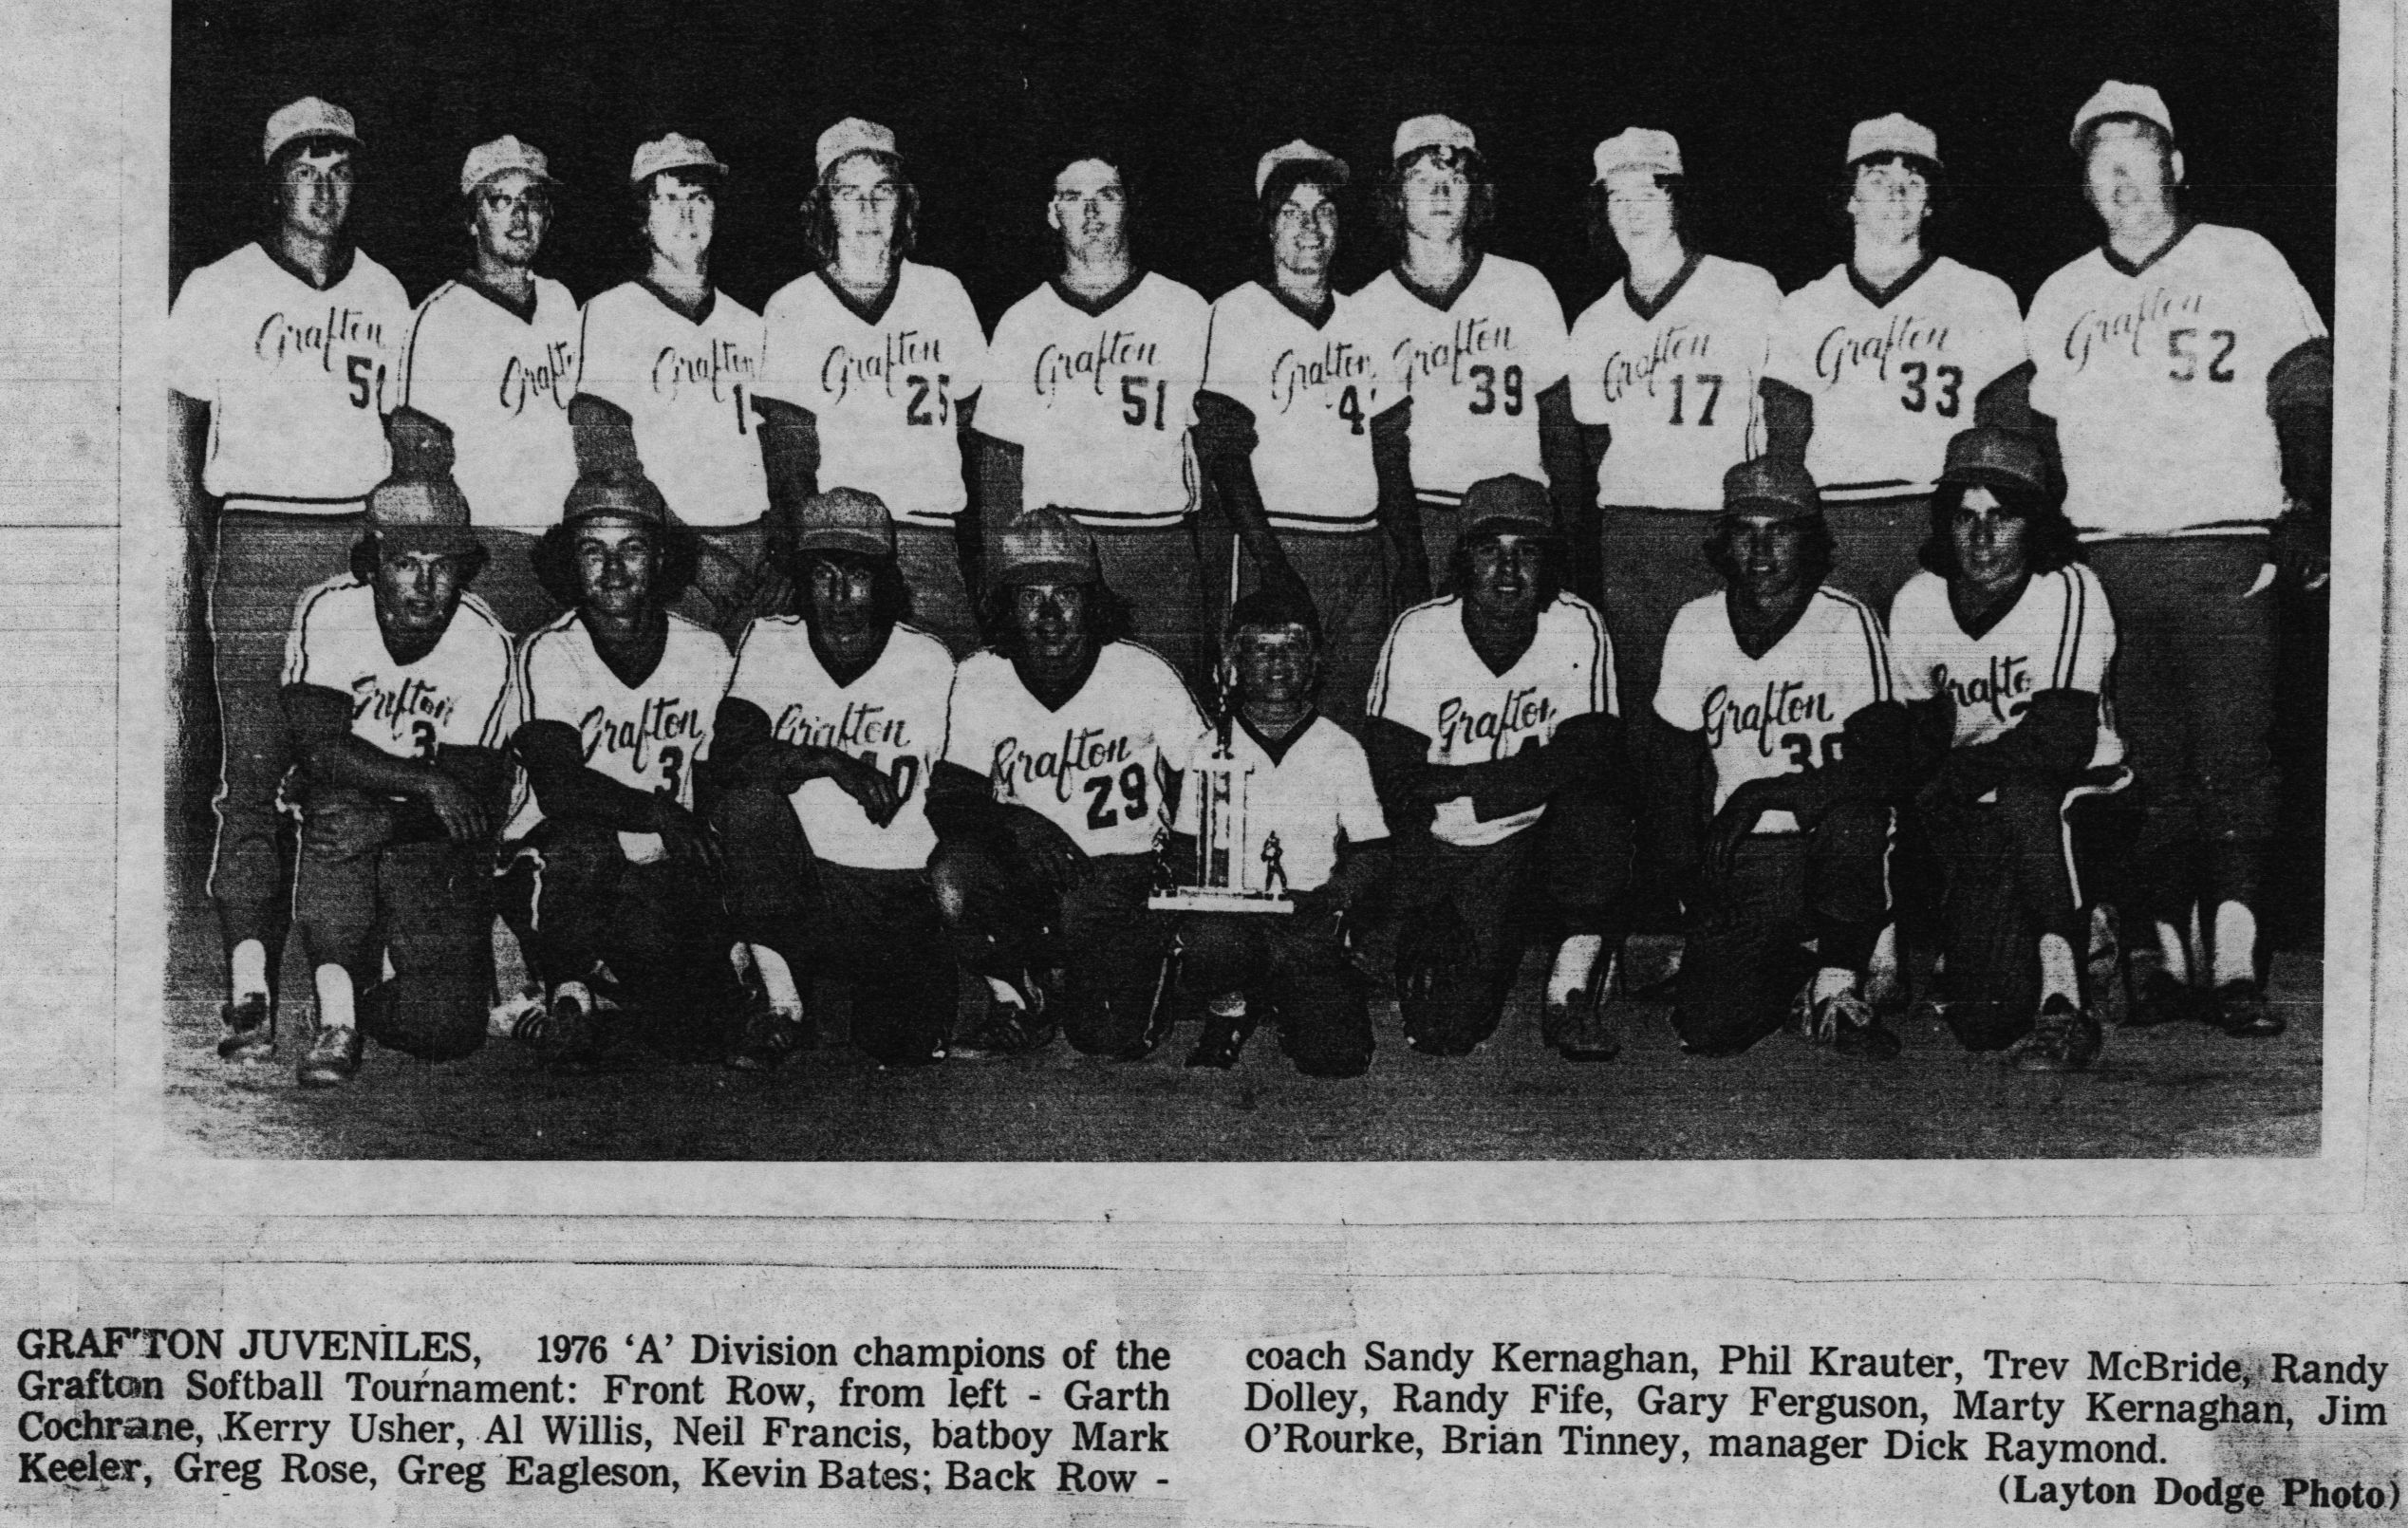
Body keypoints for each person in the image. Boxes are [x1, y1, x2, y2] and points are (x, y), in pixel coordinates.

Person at [2024, 81, 2329, 1037]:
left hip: (2223, 545)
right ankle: (2162, 950)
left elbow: (2305, 389)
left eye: (2136, 150)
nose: (2118, 173)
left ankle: (2236, 962)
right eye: (2097, 158)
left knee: (2235, 758)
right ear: (2080, 181)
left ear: (2175, 164)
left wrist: (2312, 508)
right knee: (2142, 768)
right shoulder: (2062, 291)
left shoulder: (2241, 258)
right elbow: (2035, 440)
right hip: (2110, 553)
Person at [170, 96, 414, 1065]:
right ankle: (244, 980)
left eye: (339, 167)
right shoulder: (220, 284)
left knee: (344, 771)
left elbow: (402, 438)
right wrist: (202, 539)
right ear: (274, 180)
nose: (322, 185)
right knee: (254, 772)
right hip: (263, 532)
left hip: (355, 545)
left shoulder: (388, 292)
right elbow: (176, 426)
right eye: (304, 167)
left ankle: (339, 985)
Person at [1565, 126, 1784, 924]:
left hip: (1723, 530)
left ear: (1677, 198)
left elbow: (1781, 415)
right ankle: (1667, 896)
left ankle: (1747, 893)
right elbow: (1593, 451)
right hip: (1631, 535)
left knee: (1736, 709)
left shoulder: (1745, 288)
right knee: (1652, 724)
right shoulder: (1592, 323)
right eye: (1615, 197)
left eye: (1647, 192)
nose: (1632, 211)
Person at [1362, 474, 1632, 1061]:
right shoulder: (1420, 630)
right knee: (1444, 1030)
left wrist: (1464, 780)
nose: (1508, 571)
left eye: (1526, 552)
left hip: (1530, 844)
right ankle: (1401, 943)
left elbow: (1591, 753)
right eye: (1490, 552)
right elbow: (1394, 777)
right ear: (1464, 561)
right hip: (1438, 845)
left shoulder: (1575, 623)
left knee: (1598, 814)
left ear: (1549, 563)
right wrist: (1427, 899)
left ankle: (1572, 988)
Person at [926, 507, 1206, 1060]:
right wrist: (1018, 823)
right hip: (1035, 871)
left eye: (1067, 594)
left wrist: (1178, 876)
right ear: (1006, 604)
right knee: (953, 872)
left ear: (1092, 600)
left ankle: (1134, 962)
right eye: (1031, 595)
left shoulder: (1141, 672)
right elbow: (950, 797)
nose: (1050, 614)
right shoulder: (981, 675)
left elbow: (1204, 780)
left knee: (1106, 1038)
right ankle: (1019, 996)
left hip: (1124, 877)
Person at [1654, 457, 1909, 1059]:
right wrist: (1693, 890)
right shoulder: (1695, 625)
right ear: (1725, 541)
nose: (1762, 551)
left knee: (1855, 817)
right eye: (1746, 531)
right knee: (1709, 1029)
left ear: (1810, 540)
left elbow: (1884, 763)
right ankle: (1808, 955)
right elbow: (1671, 768)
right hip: (1746, 851)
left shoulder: (1847, 622)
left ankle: (1840, 978)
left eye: (1781, 531)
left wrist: (1770, 791)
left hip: (1829, 838)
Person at [1889, 427, 2126, 1070]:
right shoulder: (1917, 599)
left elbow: (2060, 737)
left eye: (2001, 517)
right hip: (1978, 800)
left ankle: (2062, 1004)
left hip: (2082, 787)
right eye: (1964, 518)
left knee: (2027, 796)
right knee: (1984, 1020)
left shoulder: (2068, 588)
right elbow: (1919, 734)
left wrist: (1954, 776)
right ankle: (2078, 936)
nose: (1981, 537)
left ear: (2035, 524)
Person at [496, 470, 751, 1065]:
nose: (613, 570)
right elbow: (560, 785)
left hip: (660, 864)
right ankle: (562, 984)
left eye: (631, 549)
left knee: (699, 1028)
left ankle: (595, 991)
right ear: (570, 561)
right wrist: (661, 811)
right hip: (563, 862)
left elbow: (719, 776)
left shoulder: (705, 651)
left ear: (660, 558)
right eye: (593, 551)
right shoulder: (550, 649)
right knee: (581, 848)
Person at [278, 473, 516, 1086]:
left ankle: (378, 989)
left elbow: (478, 796)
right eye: (405, 562)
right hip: (358, 800)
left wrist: (402, 811)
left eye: (442, 565)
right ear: (373, 562)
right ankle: (337, 1017)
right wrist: (425, 781)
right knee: (334, 808)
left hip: (421, 832)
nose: (425, 583)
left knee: (447, 1031)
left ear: (462, 570)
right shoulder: (331, 608)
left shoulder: (484, 640)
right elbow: (319, 745)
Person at [707, 488, 959, 1068]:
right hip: (799, 880)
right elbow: (731, 756)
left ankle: (849, 982)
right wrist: (826, 760)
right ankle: (779, 998)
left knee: (898, 1046)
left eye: (858, 575)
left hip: (893, 889)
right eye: (823, 574)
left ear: (885, 580)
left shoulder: (930, 660)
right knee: (748, 804)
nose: (840, 594)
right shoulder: (770, 641)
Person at [1759, 114, 2028, 612]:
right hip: (1835, 524)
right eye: (1878, 181)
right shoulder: (1804, 306)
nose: (1896, 196)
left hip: (1946, 520)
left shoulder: (1981, 294)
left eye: (1913, 183)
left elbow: (2008, 431)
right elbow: (1785, 444)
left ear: (1929, 204)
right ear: (1850, 200)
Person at [1195, 140, 1414, 730]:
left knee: (1351, 714)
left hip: (1362, 548)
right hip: (1280, 542)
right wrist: (1273, 565)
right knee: (1263, 711)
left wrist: (1410, 560)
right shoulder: (1237, 313)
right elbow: (1224, 455)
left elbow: (1390, 450)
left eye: (1323, 210)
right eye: (1291, 212)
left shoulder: (1367, 317)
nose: (1310, 227)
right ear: (1268, 227)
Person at [756, 118, 989, 657]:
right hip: (840, 544)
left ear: (903, 205)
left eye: (881, 193)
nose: (866, 210)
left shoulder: (943, 293)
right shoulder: (794, 305)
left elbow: (976, 438)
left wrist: (982, 558)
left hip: (930, 534)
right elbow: (788, 455)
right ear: (824, 206)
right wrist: (805, 552)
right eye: (848, 193)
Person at [976, 151, 1213, 679]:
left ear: (1129, 206)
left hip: (1160, 545)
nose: (1090, 211)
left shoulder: (1185, 309)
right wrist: (999, 574)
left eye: (1106, 195)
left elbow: (1214, 450)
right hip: (1056, 556)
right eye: (1073, 197)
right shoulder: (1023, 320)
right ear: (1051, 212)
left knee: (1174, 708)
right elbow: (999, 463)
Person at [1168, 585, 1391, 1076]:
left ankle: (1290, 998)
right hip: (1231, 917)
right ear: (1234, 663)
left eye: (1292, 648)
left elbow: (1374, 851)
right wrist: (1193, 903)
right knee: (1213, 942)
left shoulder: (1340, 749)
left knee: (1337, 1060)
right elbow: (1187, 845)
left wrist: (1334, 896)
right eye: (1260, 649)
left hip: (1306, 914)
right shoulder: (1209, 748)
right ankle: (1227, 1008)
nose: (1276, 663)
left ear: (1314, 662)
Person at [1350, 115, 1580, 588]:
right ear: (1396, 195)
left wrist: (1571, 538)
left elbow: (1560, 424)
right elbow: (1383, 450)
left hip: (1519, 514)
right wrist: (1410, 552)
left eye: (1455, 179)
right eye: (1423, 180)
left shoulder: (1524, 286)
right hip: (1426, 514)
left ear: (1476, 194)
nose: (1440, 194)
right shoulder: (1367, 307)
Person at [570, 133, 771, 644]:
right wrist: (693, 557)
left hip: (757, 548)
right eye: (669, 199)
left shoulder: (750, 323)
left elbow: (777, 448)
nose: (687, 215)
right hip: (668, 552)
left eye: (699, 198)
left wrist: (779, 549)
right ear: (643, 217)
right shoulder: (611, 313)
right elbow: (604, 454)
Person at [390, 135, 580, 635]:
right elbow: (416, 464)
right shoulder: (439, 318)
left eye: (531, 200)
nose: (519, 216)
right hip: (491, 551)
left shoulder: (563, 303)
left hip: (571, 550)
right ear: (472, 219)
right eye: (500, 201)